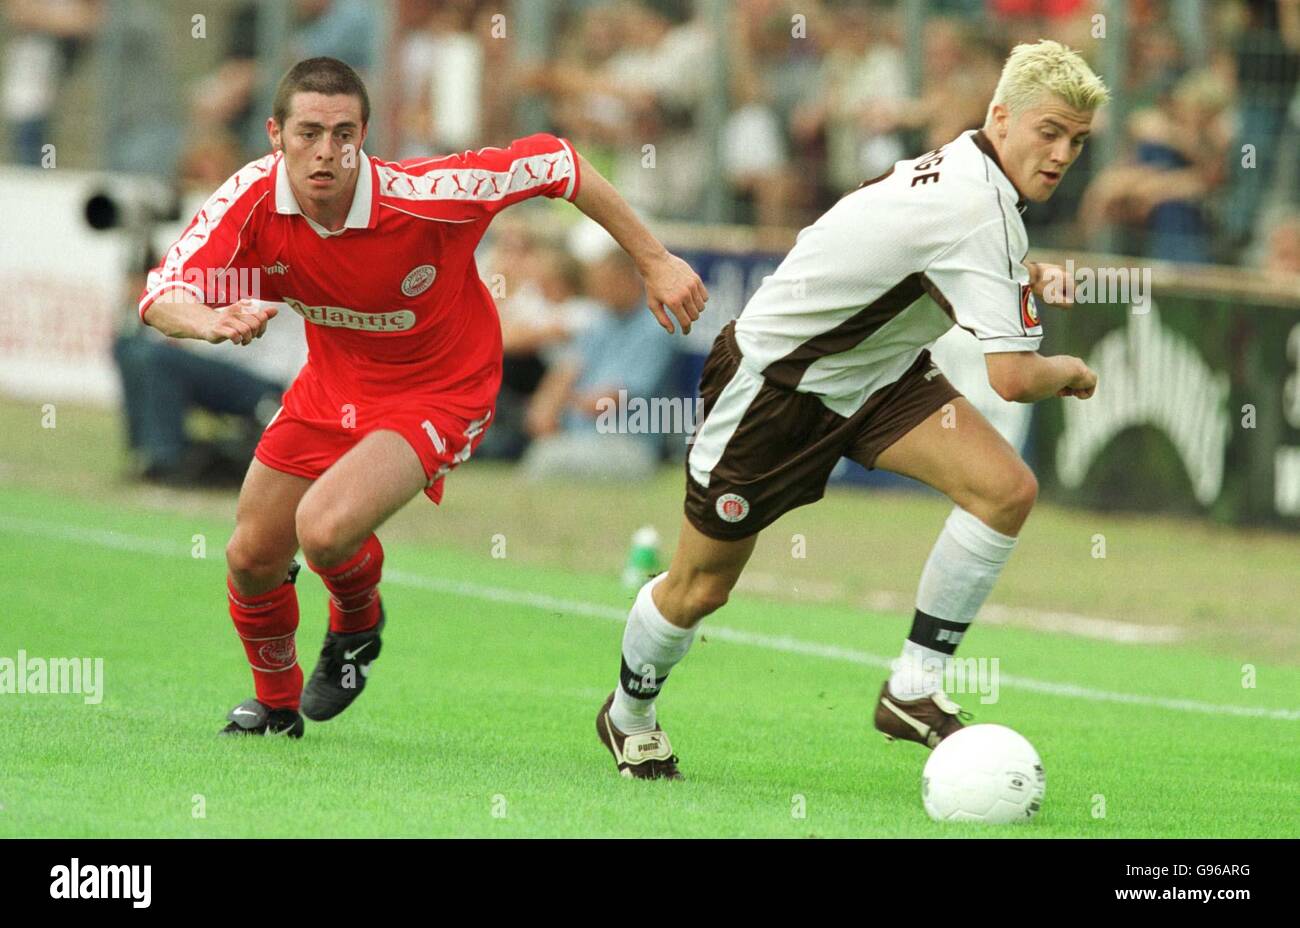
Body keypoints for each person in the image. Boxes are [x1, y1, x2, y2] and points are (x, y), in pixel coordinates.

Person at [139, 57, 706, 738]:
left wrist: (653, 259)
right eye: (309, 132)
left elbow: (558, 162)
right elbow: (162, 294)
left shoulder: (427, 194)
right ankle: (277, 706)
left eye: (343, 133)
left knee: (321, 529)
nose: (326, 151)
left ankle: (357, 620)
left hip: (442, 391)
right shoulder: (249, 198)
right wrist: (203, 319)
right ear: (275, 134)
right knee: (251, 555)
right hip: (332, 385)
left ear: (364, 135)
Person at [594, 40, 1106, 780]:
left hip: (879, 376)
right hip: (777, 388)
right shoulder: (979, 205)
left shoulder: (968, 166)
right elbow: (1016, 379)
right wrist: (1073, 373)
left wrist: (1017, 272)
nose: (1061, 154)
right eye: (1049, 131)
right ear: (1001, 116)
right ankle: (629, 713)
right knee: (701, 585)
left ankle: (912, 690)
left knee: (1005, 490)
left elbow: (933, 252)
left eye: (1077, 142)